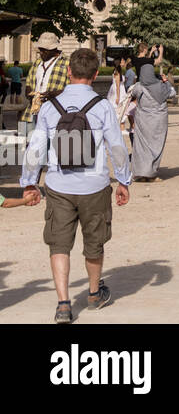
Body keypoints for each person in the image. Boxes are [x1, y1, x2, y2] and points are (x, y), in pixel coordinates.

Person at [21, 47, 131, 324]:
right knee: (94, 242)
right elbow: (116, 147)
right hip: (95, 184)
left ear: (69, 71)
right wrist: (123, 180)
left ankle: (63, 304)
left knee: (59, 244)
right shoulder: (103, 107)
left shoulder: (49, 107)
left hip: (59, 184)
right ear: (95, 75)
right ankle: (94, 293)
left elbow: (36, 149)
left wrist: (30, 183)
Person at [129, 64, 173, 181]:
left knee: (142, 146)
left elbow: (131, 93)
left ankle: (141, 173)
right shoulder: (160, 85)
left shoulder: (138, 86)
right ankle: (151, 173)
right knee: (156, 145)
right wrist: (166, 81)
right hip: (159, 121)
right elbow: (172, 93)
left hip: (143, 120)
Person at [20, 32, 69, 138]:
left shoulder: (66, 63)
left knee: (51, 142)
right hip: (34, 110)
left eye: (44, 50)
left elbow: (72, 89)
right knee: (31, 141)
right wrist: (29, 92)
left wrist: (54, 94)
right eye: (40, 50)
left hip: (55, 111)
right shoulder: (37, 63)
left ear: (54, 49)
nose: (41, 53)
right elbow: (29, 81)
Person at [107, 56, 134, 144]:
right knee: (119, 109)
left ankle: (120, 127)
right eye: (122, 61)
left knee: (121, 109)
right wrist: (118, 97)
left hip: (119, 90)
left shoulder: (118, 71)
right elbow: (118, 85)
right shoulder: (117, 72)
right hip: (118, 92)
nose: (124, 62)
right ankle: (120, 127)